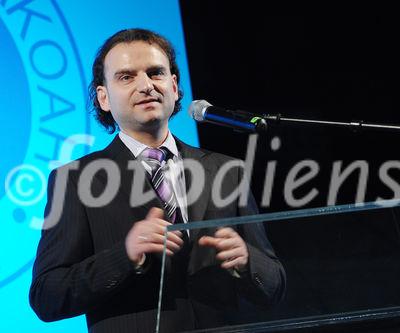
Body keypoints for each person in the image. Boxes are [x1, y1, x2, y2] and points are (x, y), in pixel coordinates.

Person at [29, 28, 286, 333]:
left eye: (156, 73)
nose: (146, 85)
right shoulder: (75, 180)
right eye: (127, 77)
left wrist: (247, 260)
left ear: (175, 87)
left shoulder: (226, 170)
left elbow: (274, 286)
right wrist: (124, 256)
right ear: (103, 97)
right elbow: (47, 296)